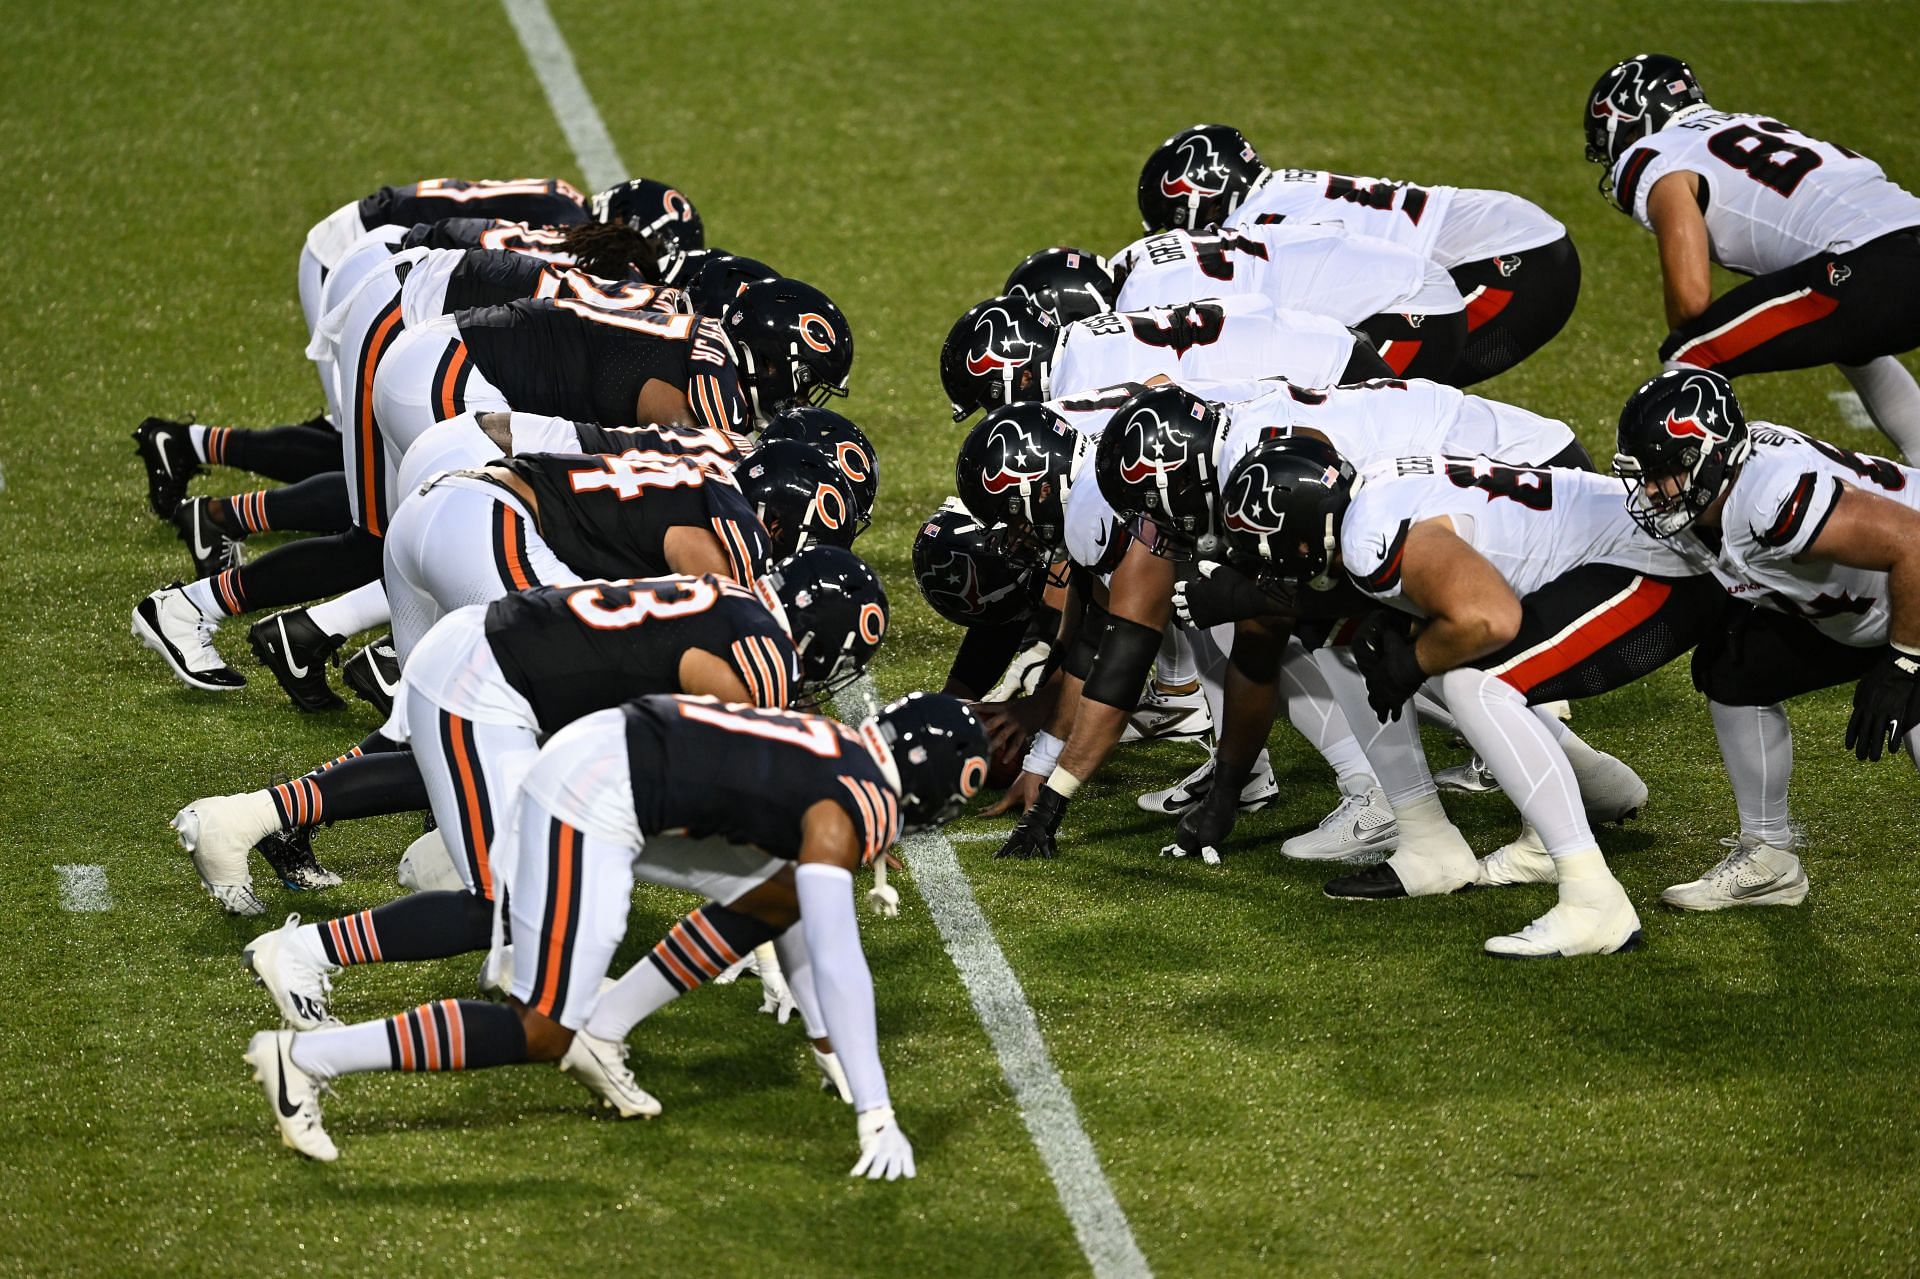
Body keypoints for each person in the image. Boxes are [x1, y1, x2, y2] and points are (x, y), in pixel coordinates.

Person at [243, 691, 987, 1173]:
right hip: (593, 795)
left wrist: (830, 1048)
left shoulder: (838, 746)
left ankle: (606, 1026)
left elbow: (791, 907)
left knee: (771, 888)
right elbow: (836, 955)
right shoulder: (850, 804)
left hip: (611, 756)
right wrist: (876, 1108)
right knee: (540, 1029)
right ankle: (305, 1058)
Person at [1613, 368, 1920, 909]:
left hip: (1913, 589)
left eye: (1665, 474)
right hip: (1858, 608)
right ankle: (1769, 855)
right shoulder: (1721, 495)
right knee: (1734, 667)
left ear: (1710, 457)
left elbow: (1915, 544)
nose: (1653, 492)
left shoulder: (1774, 501)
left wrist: (1904, 663)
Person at [1585, 54, 1920, 458]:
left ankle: (1698, 513)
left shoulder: (1656, 155)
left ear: (1634, 120)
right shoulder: (1752, 122)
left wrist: (1685, 327)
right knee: (1851, 341)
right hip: (1893, 241)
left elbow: (1692, 300)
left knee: (1690, 354)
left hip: (1874, 262)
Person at [1137, 124, 1578, 384]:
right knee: (1392, 402)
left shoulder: (1264, 218)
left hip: (1510, 263)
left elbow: (1344, 276)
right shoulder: (1280, 193)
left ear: (1204, 199)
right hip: (1520, 248)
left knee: (1362, 403)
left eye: (1177, 221)